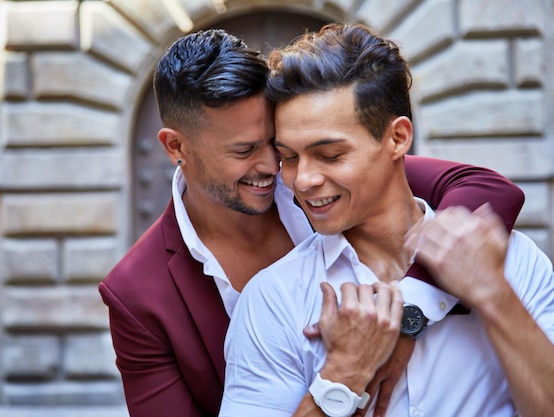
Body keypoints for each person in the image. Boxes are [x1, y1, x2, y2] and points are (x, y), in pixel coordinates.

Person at [98, 28, 525, 417]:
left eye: (274, 144)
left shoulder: (313, 181)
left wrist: (407, 315)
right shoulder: (136, 294)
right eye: (244, 150)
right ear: (176, 146)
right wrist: (345, 374)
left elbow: (488, 188)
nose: (271, 166)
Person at [219, 23, 554, 417]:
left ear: (397, 138)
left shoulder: (514, 259)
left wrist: (496, 297)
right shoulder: (272, 299)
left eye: (329, 155)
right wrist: (343, 374)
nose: (302, 180)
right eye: (288, 157)